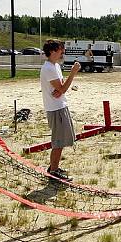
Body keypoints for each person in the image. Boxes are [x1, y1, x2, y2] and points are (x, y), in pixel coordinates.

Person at [41, 39, 81, 181]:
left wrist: (61, 89)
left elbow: (62, 87)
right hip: (55, 109)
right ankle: (53, 171)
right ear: (52, 51)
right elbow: (63, 88)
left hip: (60, 106)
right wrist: (73, 73)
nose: (62, 51)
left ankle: (54, 166)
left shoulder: (55, 66)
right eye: (59, 49)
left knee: (63, 140)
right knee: (58, 142)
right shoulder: (49, 68)